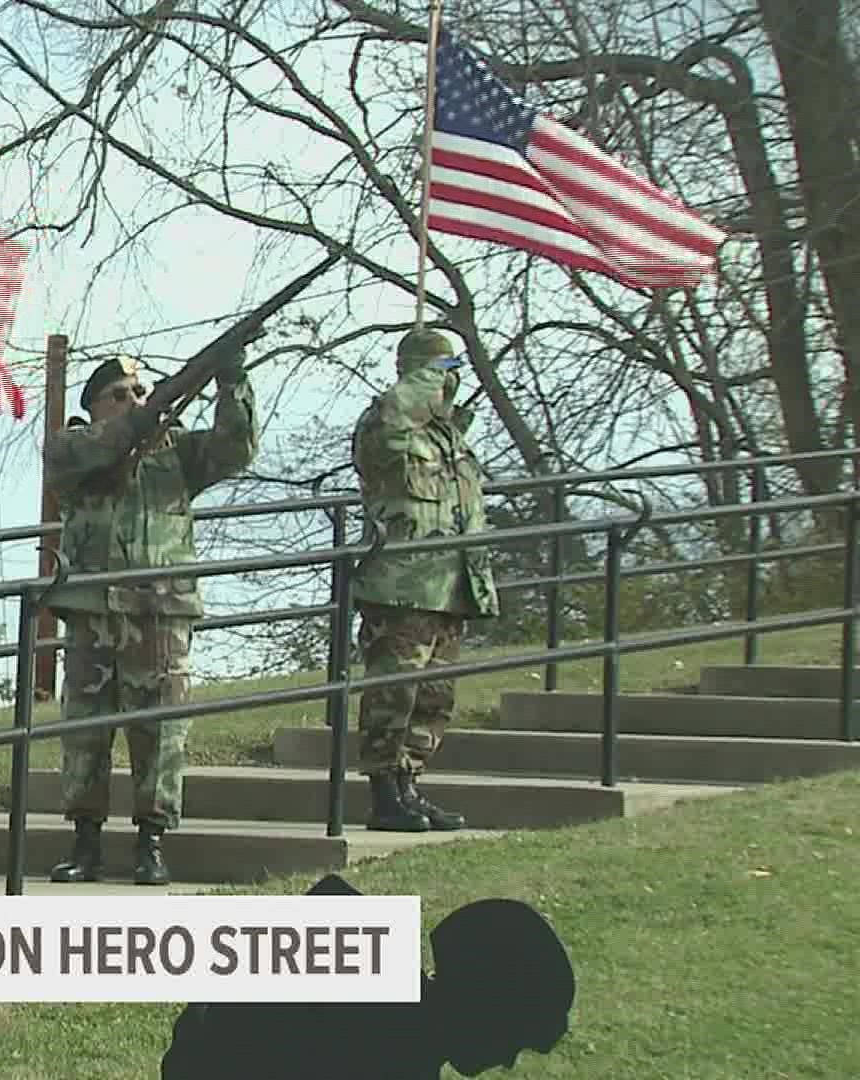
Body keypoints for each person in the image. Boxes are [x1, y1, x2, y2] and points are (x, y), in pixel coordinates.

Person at [41, 351, 259, 886]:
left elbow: (236, 450)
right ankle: (85, 841)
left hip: (160, 610)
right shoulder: (72, 447)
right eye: (120, 394)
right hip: (93, 610)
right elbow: (97, 450)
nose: (134, 402)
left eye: (140, 393)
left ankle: (151, 840)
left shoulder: (176, 452)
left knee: (160, 729)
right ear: (93, 406)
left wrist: (232, 383)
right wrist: (148, 415)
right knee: (86, 730)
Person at [158, 872, 577, 1079]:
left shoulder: (399, 1026)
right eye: (511, 1040)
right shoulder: (387, 1037)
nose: (505, 1062)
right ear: (482, 1006)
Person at [347, 328, 499, 833]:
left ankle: (410, 786)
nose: (447, 386)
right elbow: (393, 416)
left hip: (452, 585)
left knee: (434, 699)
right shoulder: (385, 428)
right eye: (438, 374)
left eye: (452, 374)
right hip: (402, 587)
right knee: (394, 695)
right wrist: (421, 379)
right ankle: (384, 793)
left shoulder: (452, 438)